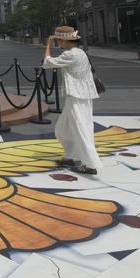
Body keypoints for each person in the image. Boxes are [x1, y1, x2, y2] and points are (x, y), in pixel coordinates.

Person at [42, 25, 102, 175]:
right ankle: (71, 155)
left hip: (77, 95)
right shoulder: (79, 52)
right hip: (81, 94)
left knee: (81, 127)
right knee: (64, 128)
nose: (59, 44)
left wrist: (48, 45)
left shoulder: (70, 55)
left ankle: (90, 164)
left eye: (59, 41)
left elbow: (48, 63)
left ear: (65, 41)